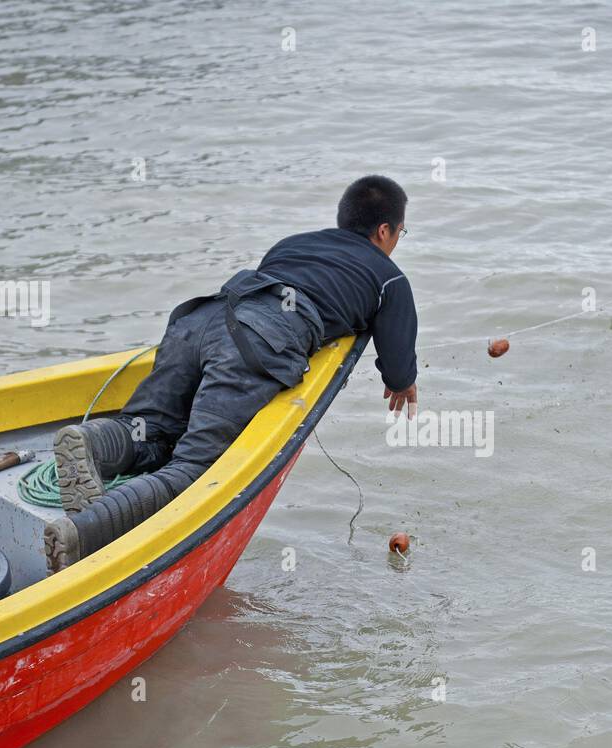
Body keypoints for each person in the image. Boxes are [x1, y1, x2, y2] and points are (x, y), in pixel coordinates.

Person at [43, 175, 419, 573]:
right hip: (255, 341)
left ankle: (93, 442)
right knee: (196, 470)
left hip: (201, 318)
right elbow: (397, 369)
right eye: (401, 232)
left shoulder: (293, 243)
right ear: (384, 230)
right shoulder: (389, 277)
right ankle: (80, 533)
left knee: (150, 428)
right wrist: (404, 383)